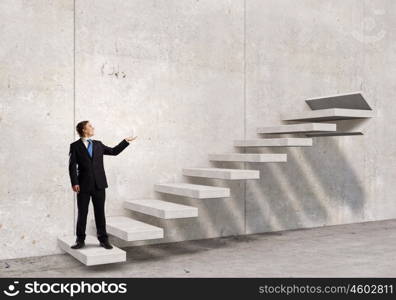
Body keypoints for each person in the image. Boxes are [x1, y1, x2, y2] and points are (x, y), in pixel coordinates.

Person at [68, 120, 137, 249]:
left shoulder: (98, 144)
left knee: (100, 213)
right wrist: (74, 182)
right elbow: (72, 166)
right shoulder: (75, 146)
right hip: (82, 185)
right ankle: (80, 240)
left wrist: (125, 142)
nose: (93, 128)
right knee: (82, 213)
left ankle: (103, 240)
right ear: (83, 130)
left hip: (99, 184)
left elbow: (113, 151)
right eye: (90, 126)